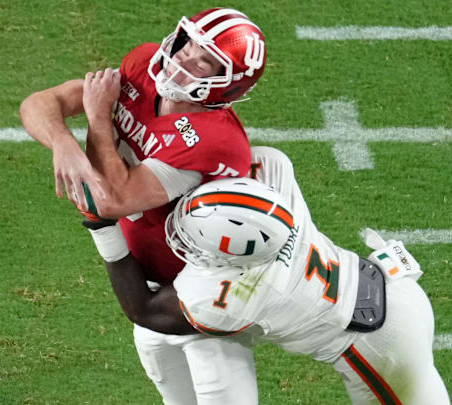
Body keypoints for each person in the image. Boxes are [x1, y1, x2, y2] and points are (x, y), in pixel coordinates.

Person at [20, 8, 269, 404]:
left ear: (227, 85)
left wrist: (98, 118)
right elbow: (38, 103)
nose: (184, 57)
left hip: (202, 300)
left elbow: (113, 200)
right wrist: (64, 145)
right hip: (146, 284)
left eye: (204, 60)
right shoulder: (143, 66)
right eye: (187, 43)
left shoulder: (213, 140)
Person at [85, 146, 452, 404]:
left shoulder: (236, 294)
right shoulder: (271, 170)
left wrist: (102, 227)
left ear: (235, 262)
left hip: (379, 347)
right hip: (390, 287)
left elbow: (144, 310)